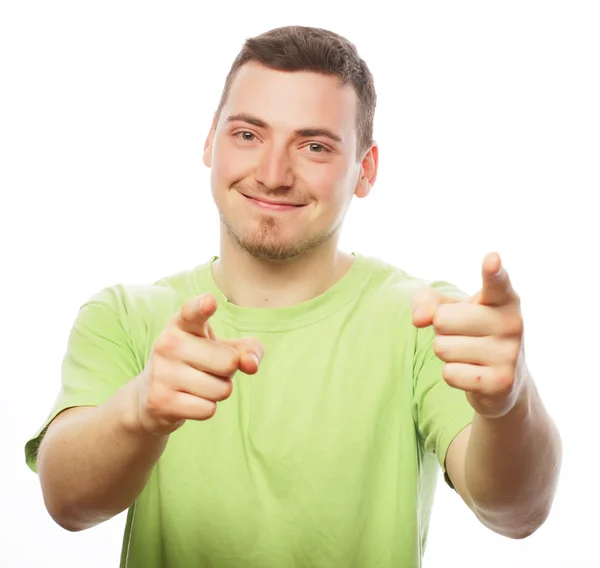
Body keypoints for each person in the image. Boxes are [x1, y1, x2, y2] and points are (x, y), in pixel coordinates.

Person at [24, 25, 562, 568]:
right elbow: (67, 503)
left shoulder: (428, 320)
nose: (274, 174)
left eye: (314, 146)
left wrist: (510, 404)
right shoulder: (125, 316)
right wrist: (139, 412)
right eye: (248, 135)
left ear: (365, 170)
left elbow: (517, 513)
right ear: (211, 141)